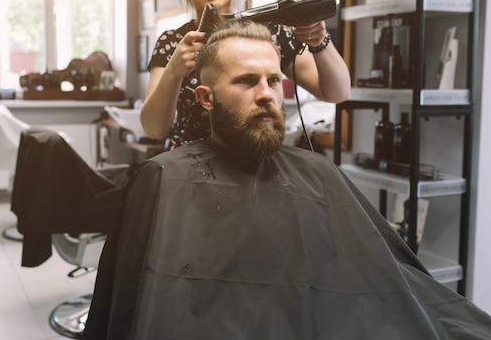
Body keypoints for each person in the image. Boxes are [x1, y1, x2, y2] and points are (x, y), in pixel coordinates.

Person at [83, 20, 491, 340]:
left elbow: (386, 282)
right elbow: (127, 310)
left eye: (275, 81)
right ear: (206, 98)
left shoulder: (317, 172)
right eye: (245, 81)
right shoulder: (164, 178)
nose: (266, 94)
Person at [140, 0, 351, 147]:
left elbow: (336, 93)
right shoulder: (174, 42)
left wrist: (320, 42)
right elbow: (154, 129)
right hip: (192, 169)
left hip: (259, 166)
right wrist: (173, 72)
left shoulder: (270, 34)